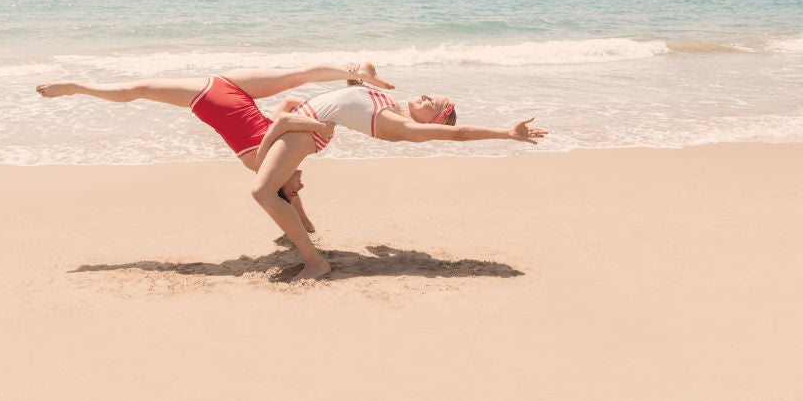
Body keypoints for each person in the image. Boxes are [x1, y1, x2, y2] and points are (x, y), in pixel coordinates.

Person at [250, 72, 548, 281]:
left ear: (435, 121)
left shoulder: (400, 125)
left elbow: (460, 134)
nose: (428, 96)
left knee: (262, 192)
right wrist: (364, 72)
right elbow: (355, 81)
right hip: (304, 122)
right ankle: (300, 212)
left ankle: (316, 263)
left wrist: (506, 133)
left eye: (436, 103)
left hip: (306, 133)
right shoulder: (388, 102)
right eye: (433, 95)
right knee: (269, 183)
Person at [36, 62, 394, 232]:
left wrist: (300, 217)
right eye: (299, 187)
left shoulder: (264, 163)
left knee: (141, 89)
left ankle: (76, 87)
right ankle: (359, 75)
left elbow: (279, 186)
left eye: (295, 188)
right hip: (234, 87)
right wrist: (305, 221)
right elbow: (287, 107)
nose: (300, 185)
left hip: (212, 97)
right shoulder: (280, 157)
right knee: (294, 77)